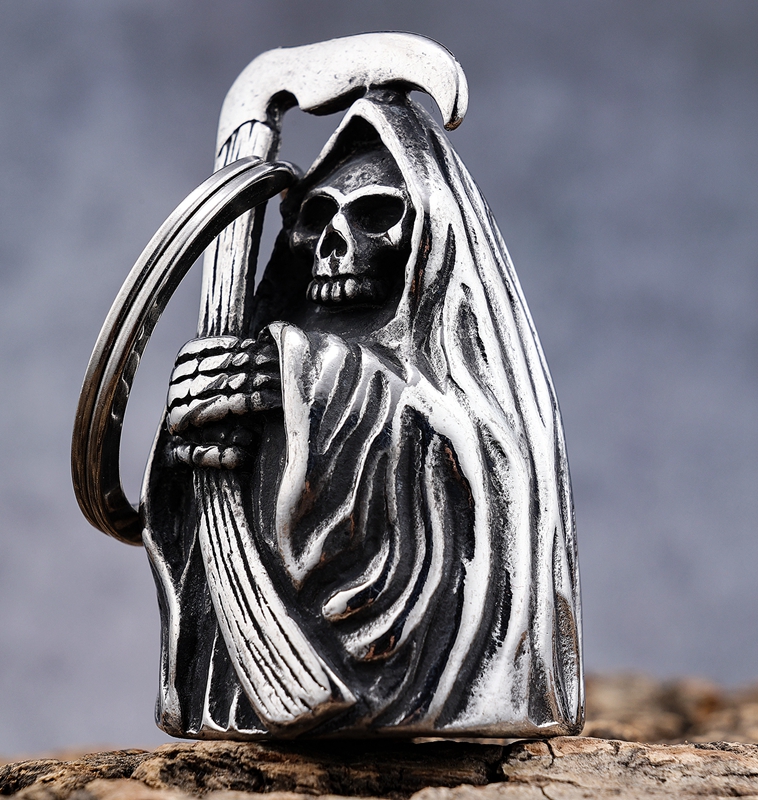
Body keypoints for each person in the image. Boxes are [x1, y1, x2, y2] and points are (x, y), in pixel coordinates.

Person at [143, 89, 583, 739]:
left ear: (430, 235)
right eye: (316, 218)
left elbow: (483, 463)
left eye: (376, 215)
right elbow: (188, 505)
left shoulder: (473, 408)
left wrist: (299, 376)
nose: (333, 244)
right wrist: (196, 424)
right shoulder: (271, 354)